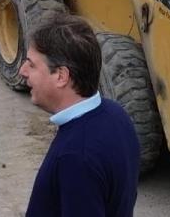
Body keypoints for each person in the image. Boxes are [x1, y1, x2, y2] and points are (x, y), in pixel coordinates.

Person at [20, 15, 140, 217]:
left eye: (31, 65)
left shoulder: (76, 157)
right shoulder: (116, 115)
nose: (23, 71)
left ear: (61, 76)